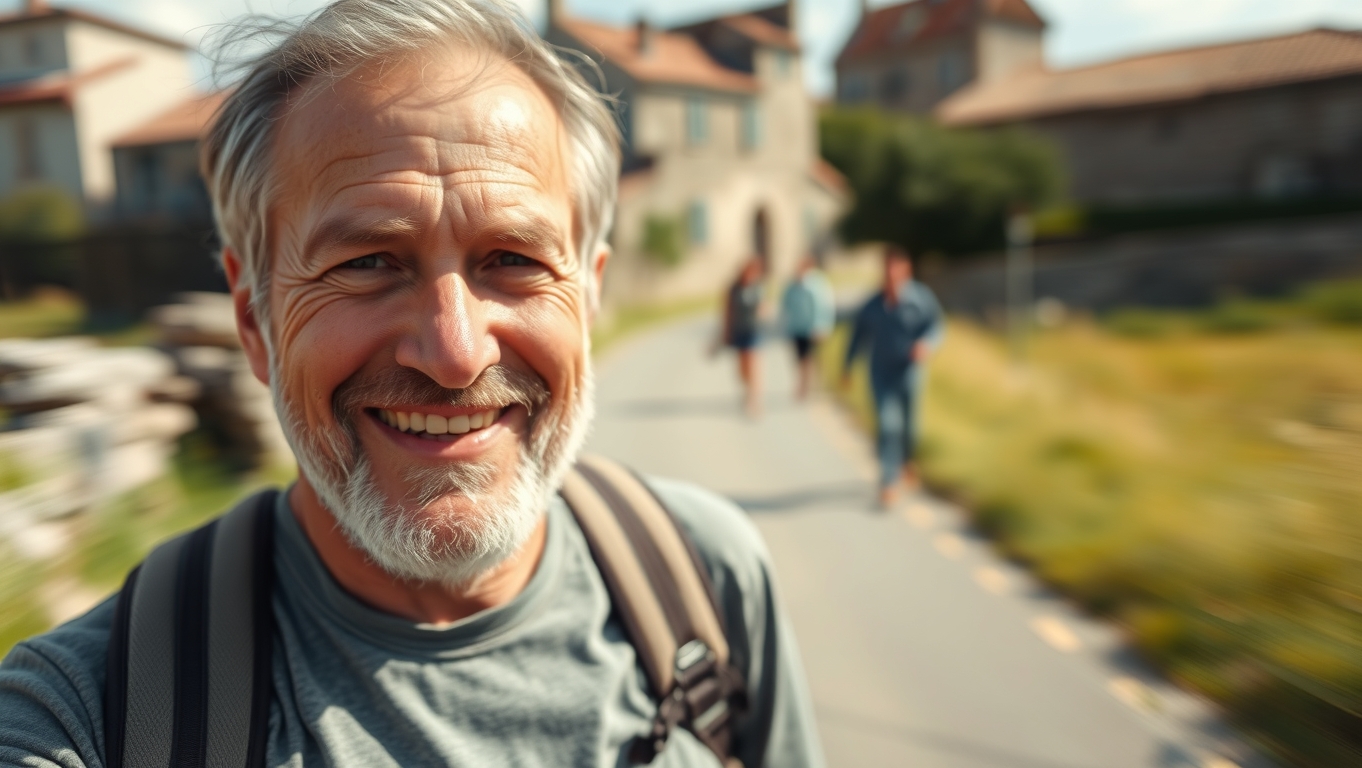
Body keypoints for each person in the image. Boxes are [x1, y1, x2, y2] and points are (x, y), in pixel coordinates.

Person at [0, 2, 824, 766]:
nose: (455, 353)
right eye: (366, 263)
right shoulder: (96, 714)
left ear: (590, 296)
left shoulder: (705, 579)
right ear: (254, 320)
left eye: (514, 261)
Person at [842, 246, 944, 508]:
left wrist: (926, 344)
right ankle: (889, 480)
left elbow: (936, 326)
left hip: (910, 372)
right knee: (888, 426)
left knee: (910, 428)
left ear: (905, 269)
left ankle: (906, 462)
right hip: (880, 373)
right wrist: (847, 367)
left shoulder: (921, 298)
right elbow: (857, 337)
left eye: (895, 267)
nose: (890, 273)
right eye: (886, 267)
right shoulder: (872, 305)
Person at [780, 256, 836, 400]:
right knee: (800, 358)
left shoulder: (817, 284)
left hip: (813, 328)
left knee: (810, 357)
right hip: (797, 327)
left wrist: (823, 325)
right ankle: (805, 384)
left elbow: (824, 306)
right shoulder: (792, 286)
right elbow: (785, 305)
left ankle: (809, 386)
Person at [723, 256, 766, 418]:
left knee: (754, 365)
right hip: (738, 331)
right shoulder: (733, 289)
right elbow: (727, 311)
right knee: (742, 369)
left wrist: (763, 312)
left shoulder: (757, 288)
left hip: (753, 331)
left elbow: (763, 305)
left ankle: (754, 399)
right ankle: (747, 390)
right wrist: (726, 332)